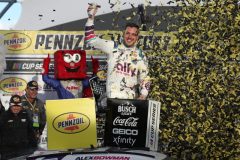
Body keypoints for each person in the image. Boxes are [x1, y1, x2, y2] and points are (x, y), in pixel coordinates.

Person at [84, 3, 151, 100]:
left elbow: (145, 78)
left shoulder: (140, 55)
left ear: (137, 37)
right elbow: (90, 40)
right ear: (123, 34)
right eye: (127, 33)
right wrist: (90, 18)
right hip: (112, 100)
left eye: (133, 34)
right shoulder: (113, 46)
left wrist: (143, 95)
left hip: (131, 102)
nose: (130, 37)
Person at [0, 95, 37, 159]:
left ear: (21, 106)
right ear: (10, 105)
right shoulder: (3, 116)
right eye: (14, 105)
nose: (16, 108)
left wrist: (34, 146)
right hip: (7, 152)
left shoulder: (26, 115)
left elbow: (31, 132)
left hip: (24, 151)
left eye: (18, 105)